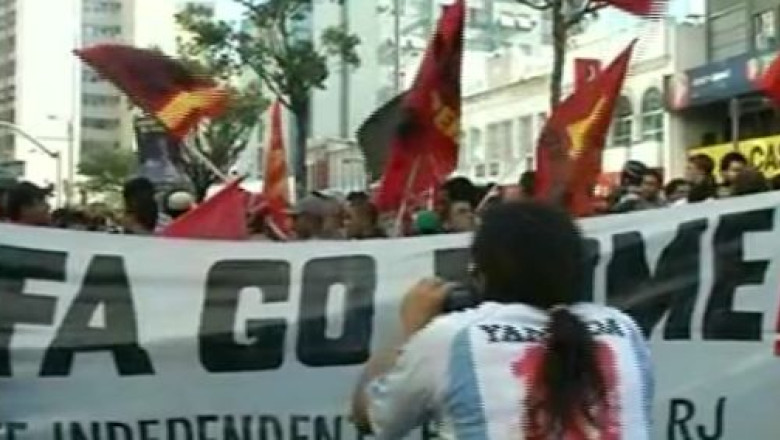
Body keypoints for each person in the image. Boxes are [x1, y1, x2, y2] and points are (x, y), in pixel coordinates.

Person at [351, 202, 653, 439]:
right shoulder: (623, 330)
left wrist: (410, 331)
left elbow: (370, 419)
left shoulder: (452, 338)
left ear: (481, 274)